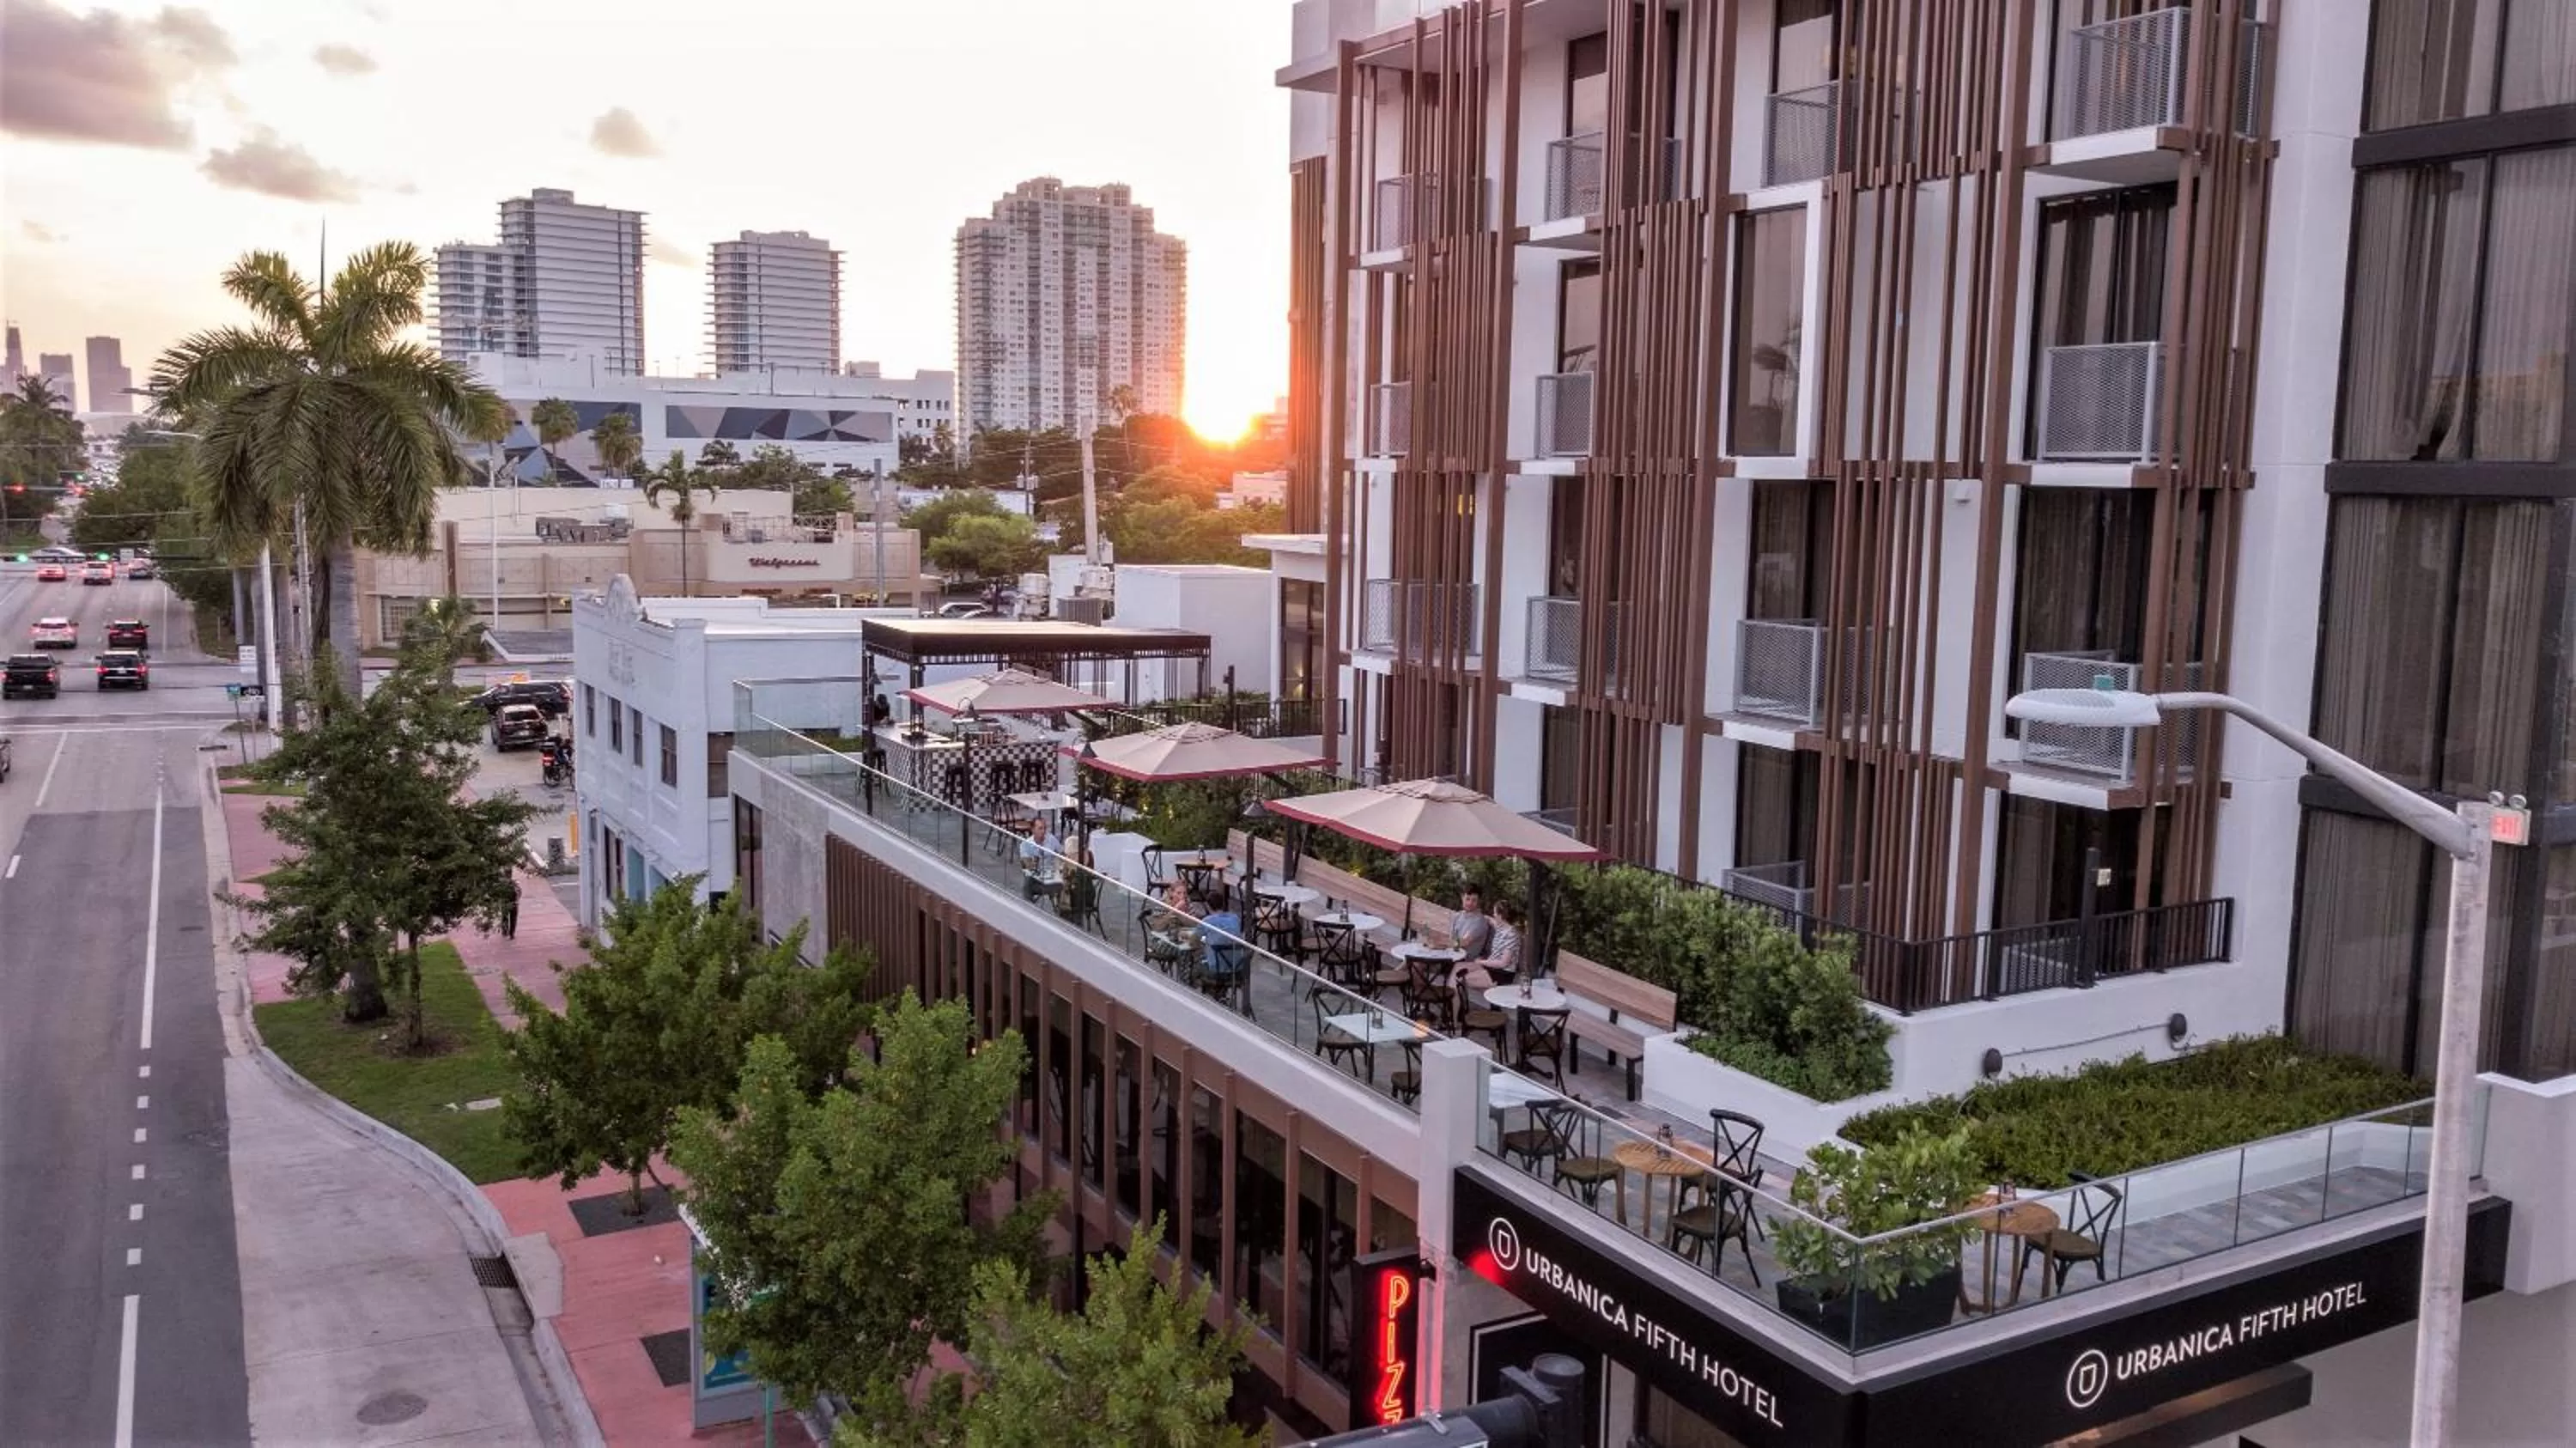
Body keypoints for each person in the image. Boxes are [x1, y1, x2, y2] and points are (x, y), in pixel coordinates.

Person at [1018, 815, 1064, 901]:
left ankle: (1030, 903)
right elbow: (1027, 867)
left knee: (1029, 888)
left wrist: (1059, 864)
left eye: (1045, 828)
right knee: (1028, 882)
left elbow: (1062, 853)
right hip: (1036, 877)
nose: (1043, 831)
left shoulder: (1051, 839)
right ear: (1033, 830)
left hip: (1051, 876)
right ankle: (1029, 907)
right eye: (1040, 828)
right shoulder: (1025, 845)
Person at [1448, 886, 1494, 958]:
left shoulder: (1480, 921)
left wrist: (1441, 943)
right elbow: (1451, 939)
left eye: (1474, 900)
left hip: (1465, 960)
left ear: (1479, 901)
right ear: (1462, 898)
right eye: (1467, 899)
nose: (1470, 903)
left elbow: (1464, 942)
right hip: (1451, 955)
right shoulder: (1457, 916)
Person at [499, 876, 521, 940]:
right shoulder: (517, 889)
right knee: (513, 920)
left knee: (505, 918)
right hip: (514, 905)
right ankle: (511, 934)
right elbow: (519, 895)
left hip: (506, 905)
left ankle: (505, 932)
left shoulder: (504, 889)